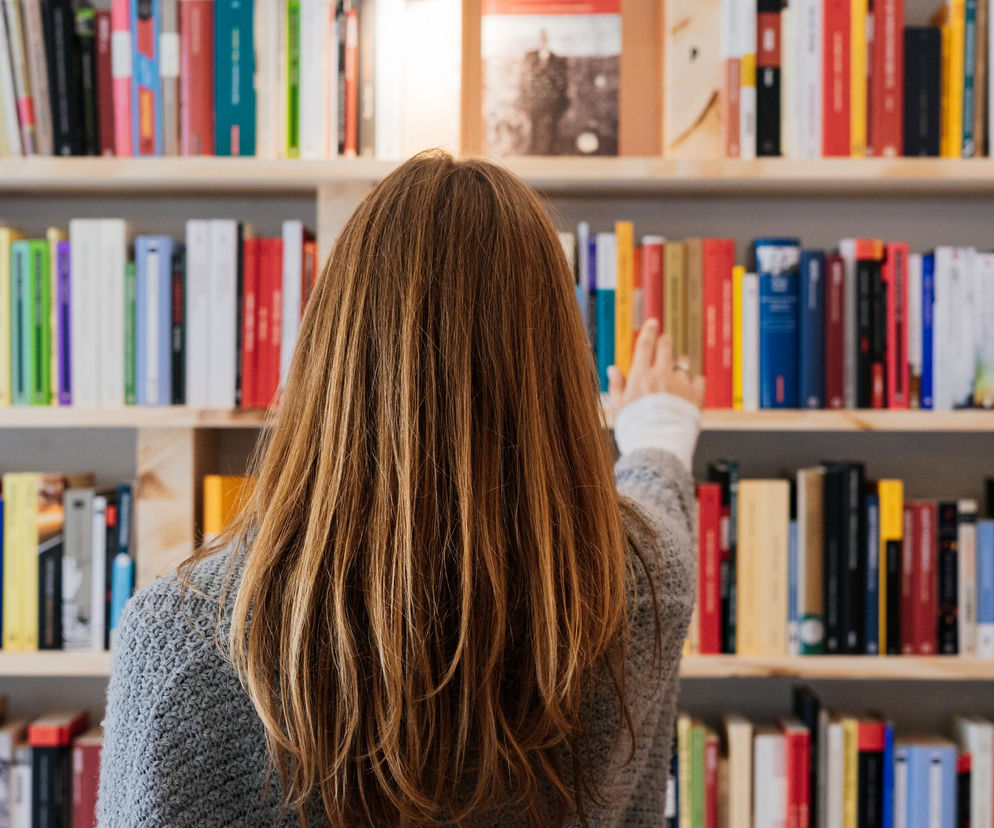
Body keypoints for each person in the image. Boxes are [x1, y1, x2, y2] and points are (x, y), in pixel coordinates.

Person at [97, 153, 704, 827]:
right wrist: (659, 425)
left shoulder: (185, 642)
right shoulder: (641, 592)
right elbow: (658, 507)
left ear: (331, 355)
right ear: (556, 368)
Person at [521, 30, 569, 155]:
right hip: (535, 101)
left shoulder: (555, 59)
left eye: (545, 38)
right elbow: (525, 79)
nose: (543, 41)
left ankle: (552, 151)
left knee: (552, 129)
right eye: (541, 38)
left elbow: (561, 82)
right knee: (534, 128)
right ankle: (532, 151)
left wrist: (557, 97)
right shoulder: (531, 57)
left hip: (551, 101)